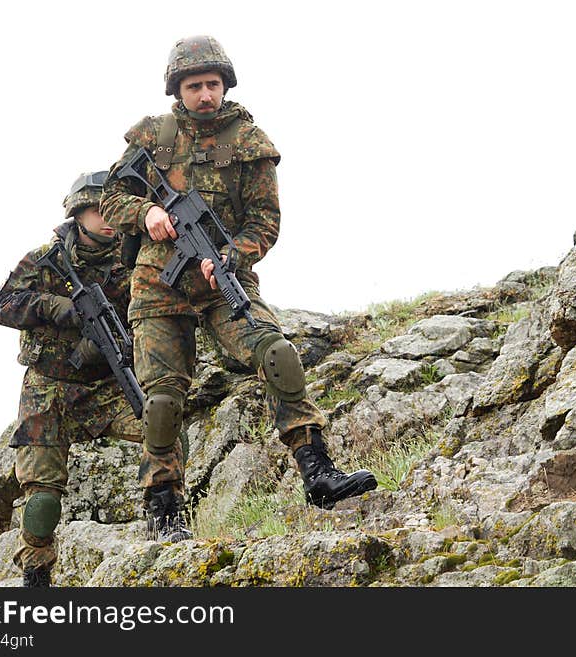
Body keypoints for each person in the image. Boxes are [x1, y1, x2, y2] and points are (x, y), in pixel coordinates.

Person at [100, 35, 377, 516]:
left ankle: (317, 469)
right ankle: (164, 508)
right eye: (193, 86)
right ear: (177, 89)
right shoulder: (151, 136)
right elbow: (111, 200)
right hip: (156, 287)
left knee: (277, 353)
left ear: (225, 85)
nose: (204, 95)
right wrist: (145, 213)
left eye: (211, 84)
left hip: (223, 279)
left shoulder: (251, 143)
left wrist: (232, 255)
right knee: (162, 399)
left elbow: (265, 220)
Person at [0, 172, 189, 588]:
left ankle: (166, 516)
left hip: (108, 383)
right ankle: (36, 572)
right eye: (95, 209)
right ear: (76, 212)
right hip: (48, 390)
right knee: (42, 497)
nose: (106, 218)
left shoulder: (134, 259)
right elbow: (4, 304)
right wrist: (54, 307)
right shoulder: (45, 258)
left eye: (110, 208)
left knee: (163, 425)